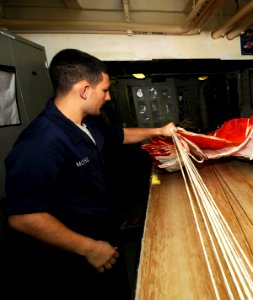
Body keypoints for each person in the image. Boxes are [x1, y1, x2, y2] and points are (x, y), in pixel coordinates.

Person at [1, 49, 177, 300]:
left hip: (105, 235)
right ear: (84, 90)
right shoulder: (40, 143)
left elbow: (119, 135)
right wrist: (90, 248)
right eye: (104, 90)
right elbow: (23, 216)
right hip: (76, 256)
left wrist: (160, 130)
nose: (107, 97)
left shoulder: (86, 124)